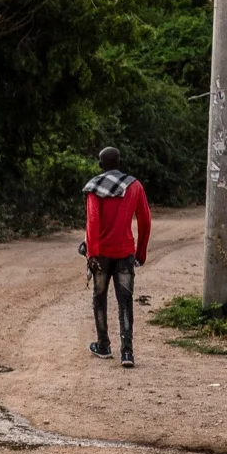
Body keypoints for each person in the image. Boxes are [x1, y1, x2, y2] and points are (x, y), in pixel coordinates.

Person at [83, 146, 151, 369]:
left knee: (99, 297)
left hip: (101, 255)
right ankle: (127, 353)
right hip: (125, 254)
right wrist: (140, 252)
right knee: (125, 301)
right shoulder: (134, 185)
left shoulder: (94, 187)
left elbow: (92, 221)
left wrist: (91, 253)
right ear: (119, 163)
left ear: (100, 165)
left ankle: (103, 345)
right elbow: (145, 221)